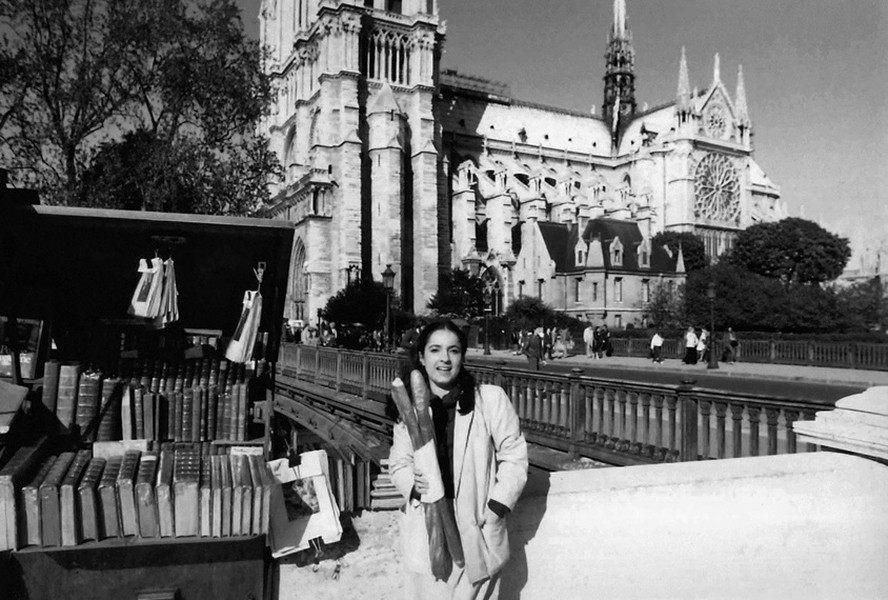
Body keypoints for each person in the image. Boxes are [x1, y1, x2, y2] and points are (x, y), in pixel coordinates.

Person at [388, 320, 529, 599]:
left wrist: (497, 506)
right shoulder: (408, 412)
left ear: (462, 356)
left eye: (453, 350)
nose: (444, 359)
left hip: (477, 527)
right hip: (428, 529)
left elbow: (514, 454)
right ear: (421, 357)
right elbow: (399, 463)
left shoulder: (489, 400)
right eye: (435, 350)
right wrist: (413, 484)